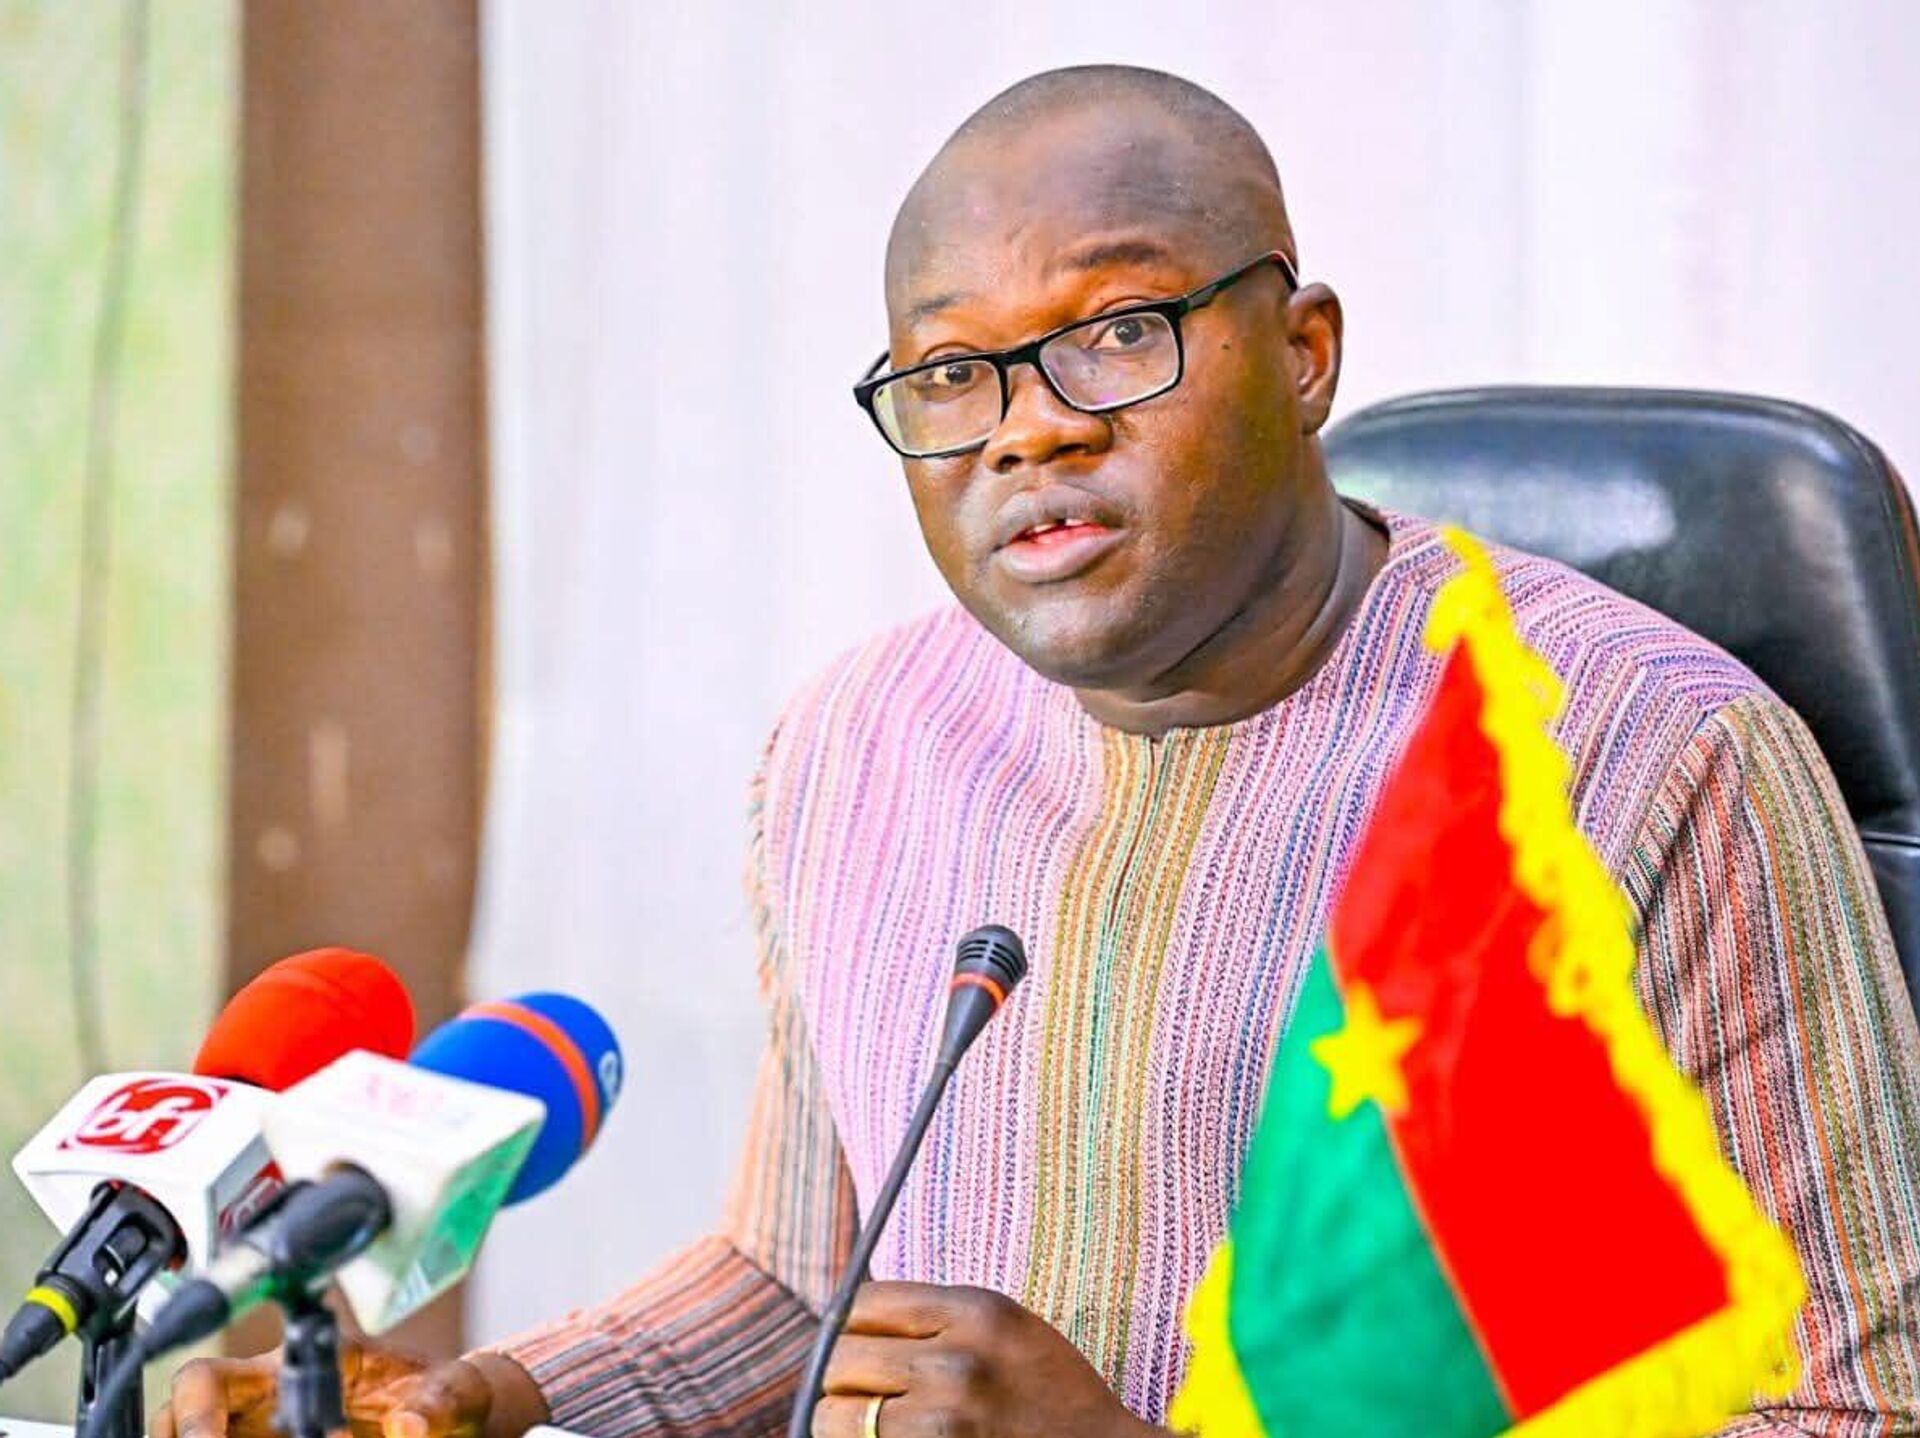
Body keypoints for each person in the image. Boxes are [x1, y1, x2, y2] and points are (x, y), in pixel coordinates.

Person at [158, 65, 1920, 1438]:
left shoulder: (1645, 761)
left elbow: (1853, 1403)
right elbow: (806, 1276)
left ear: (1303, 354)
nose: (1028, 432)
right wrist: (506, 1395)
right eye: (952, 374)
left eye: (1115, 333)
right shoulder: (859, 748)